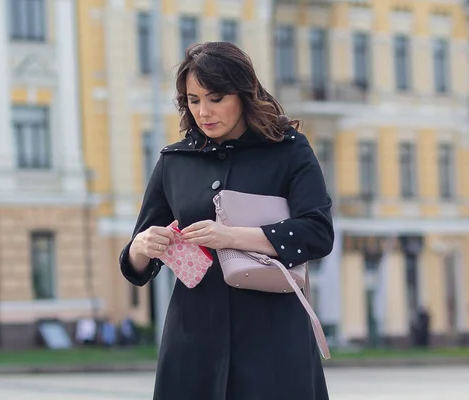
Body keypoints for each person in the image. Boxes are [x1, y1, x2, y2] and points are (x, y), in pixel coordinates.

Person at [119, 42, 334, 400]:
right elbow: (136, 265)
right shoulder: (176, 161)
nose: (204, 111)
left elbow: (318, 233)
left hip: (274, 338)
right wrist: (141, 248)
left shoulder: (289, 150)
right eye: (193, 100)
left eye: (216, 98)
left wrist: (232, 236)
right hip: (193, 342)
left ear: (244, 93)